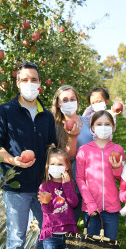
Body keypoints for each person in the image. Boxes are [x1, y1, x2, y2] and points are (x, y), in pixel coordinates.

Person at [0, 62, 57, 249]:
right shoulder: (3, 112)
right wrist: (12, 160)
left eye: (34, 79)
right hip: (15, 185)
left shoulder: (46, 116)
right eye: (24, 79)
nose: (30, 84)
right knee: (16, 238)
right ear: (17, 82)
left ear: (40, 83)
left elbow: (51, 146)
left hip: (41, 186)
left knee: (48, 233)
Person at [75, 110, 125, 249]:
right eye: (99, 124)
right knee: (93, 248)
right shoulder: (84, 151)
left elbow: (123, 179)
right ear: (92, 127)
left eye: (107, 124)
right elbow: (80, 178)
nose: (103, 127)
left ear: (112, 127)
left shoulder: (118, 149)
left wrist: (116, 168)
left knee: (109, 247)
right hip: (91, 208)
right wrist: (89, 202)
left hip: (111, 207)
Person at [38, 145, 79, 249]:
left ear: (67, 167)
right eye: (53, 164)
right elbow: (46, 212)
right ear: (48, 166)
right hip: (51, 234)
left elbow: (74, 202)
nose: (56, 167)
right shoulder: (44, 186)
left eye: (60, 164)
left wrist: (67, 184)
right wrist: (46, 202)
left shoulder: (69, 183)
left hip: (68, 232)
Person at [51, 85, 93, 221]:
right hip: (69, 182)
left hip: (91, 180)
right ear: (58, 104)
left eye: (72, 99)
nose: (69, 102)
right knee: (68, 223)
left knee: (92, 223)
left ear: (77, 101)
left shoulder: (88, 121)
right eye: (65, 100)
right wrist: (73, 137)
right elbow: (66, 158)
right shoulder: (55, 127)